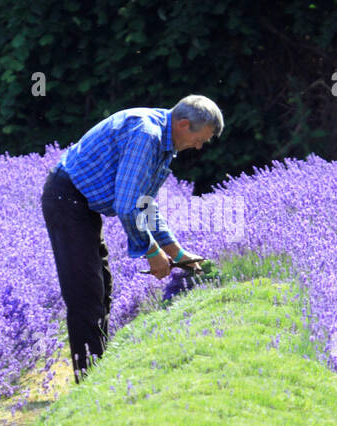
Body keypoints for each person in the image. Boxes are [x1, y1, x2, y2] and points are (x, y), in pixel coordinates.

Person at [40, 94, 223, 383]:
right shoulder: (146, 135)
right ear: (184, 124)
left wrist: (177, 254)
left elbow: (145, 204)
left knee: (102, 287)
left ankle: (96, 369)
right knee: (85, 292)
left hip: (81, 204)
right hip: (66, 199)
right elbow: (127, 204)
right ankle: (89, 381)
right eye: (200, 139)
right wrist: (151, 251)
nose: (199, 146)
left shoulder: (164, 143)